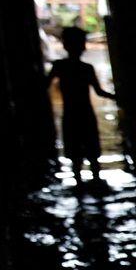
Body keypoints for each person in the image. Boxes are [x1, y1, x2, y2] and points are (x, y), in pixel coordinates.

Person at [47, 25, 115, 181]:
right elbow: (99, 92)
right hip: (86, 115)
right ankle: (96, 185)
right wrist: (117, 97)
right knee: (93, 157)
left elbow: (43, 86)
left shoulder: (59, 67)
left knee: (75, 159)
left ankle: (79, 188)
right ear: (82, 45)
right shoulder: (86, 68)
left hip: (70, 116)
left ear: (65, 45)